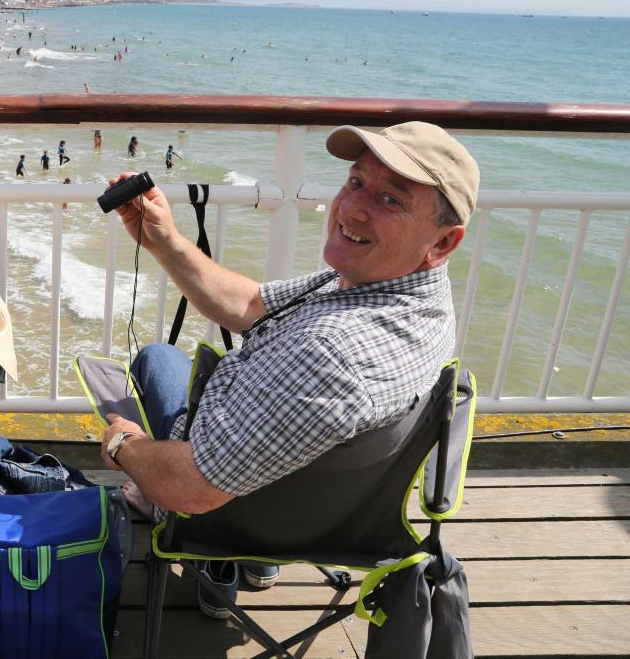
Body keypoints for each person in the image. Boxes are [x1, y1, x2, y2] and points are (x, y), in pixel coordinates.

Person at [100, 121, 478, 614]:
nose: (353, 208)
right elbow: (249, 303)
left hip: (227, 507)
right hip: (328, 507)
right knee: (166, 361)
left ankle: (225, 560)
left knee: (156, 359)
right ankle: (260, 562)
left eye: (392, 200)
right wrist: (165, 240)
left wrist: (123, 444)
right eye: (357, 182)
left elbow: (192, 488)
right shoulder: (404, 290)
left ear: (443, 242)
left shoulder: (332, 354)